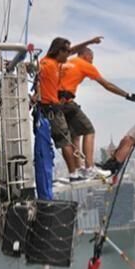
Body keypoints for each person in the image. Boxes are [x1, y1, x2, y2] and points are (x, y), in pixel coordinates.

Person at [58, 46, 135, 178]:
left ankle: (77, 170)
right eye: (92, 58)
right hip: (67, 103)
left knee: (75, 135)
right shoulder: (84, 64)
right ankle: (89, 168)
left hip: (55, 103)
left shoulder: (68, 61)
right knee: (88, 130)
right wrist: (127, 95)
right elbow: (107, 85)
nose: (92, 62)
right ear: (85, 55)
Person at [37, 36, 103, 182]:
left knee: (71, 138)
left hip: (56, 107)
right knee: (65, 141)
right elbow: (35, 69)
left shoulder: (56, 63)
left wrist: (90, 41)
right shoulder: (46, 64)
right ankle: (74, 173)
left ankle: (78, 170)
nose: (69, 54)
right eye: (66, 51)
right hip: (51, 108)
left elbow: (72, 51)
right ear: (58, 51)